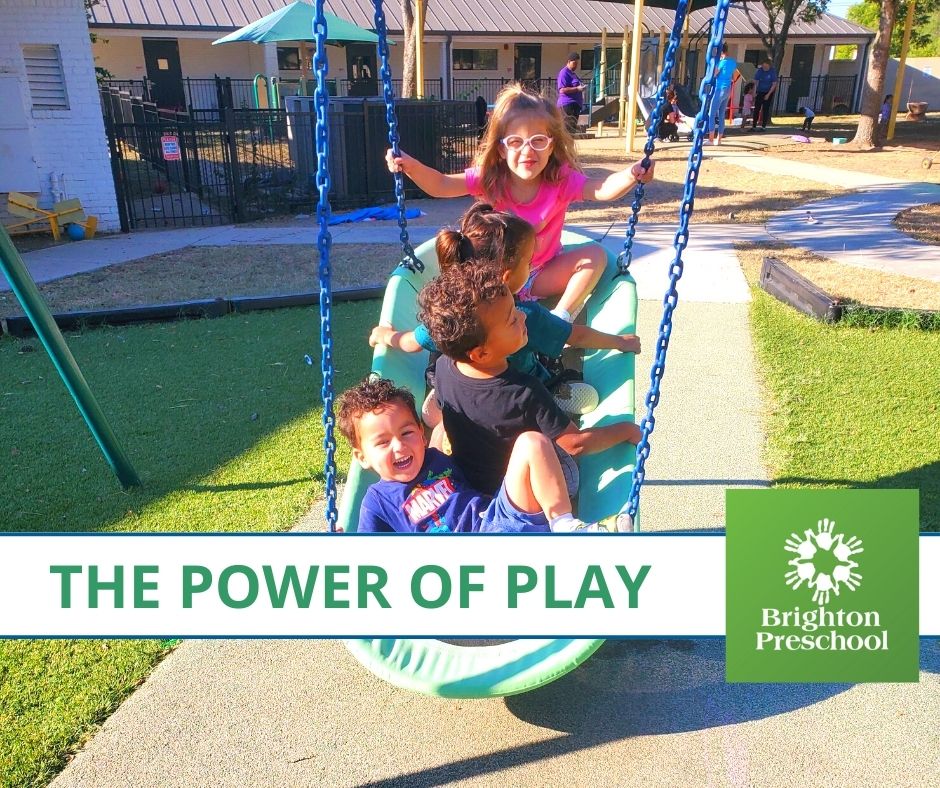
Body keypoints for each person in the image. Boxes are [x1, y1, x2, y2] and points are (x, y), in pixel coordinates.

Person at [386, 83, 655, 323]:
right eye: (516, 142)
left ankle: (559, 318)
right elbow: (442, 185)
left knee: (595, 256)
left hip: (541, 273)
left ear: (551, 145)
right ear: (502, 149)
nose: (528, 151)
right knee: (468, 294)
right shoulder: (490, 179)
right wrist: (409, 167)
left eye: (538, 141)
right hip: (493, 278)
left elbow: (601, 189)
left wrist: (632, 174)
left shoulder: (560, 181)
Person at [369, 203, 642, 422]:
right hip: (518, 392)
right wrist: (619, 341)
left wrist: (385, 335)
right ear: (508, 275)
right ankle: (554, 390)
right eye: (529, 261)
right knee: (549, 379)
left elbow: (411, 343)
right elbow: (576, 336)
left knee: (447, 367)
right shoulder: (523, 316)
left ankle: (446, 397)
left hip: (466, 386)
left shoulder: (449, 315)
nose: (533, 267)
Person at [418, 263, 642, 497]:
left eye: (516, 310)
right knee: (569, 477)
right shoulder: (524, 391)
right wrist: (626, 430)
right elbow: (575, 444)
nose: (522, 316)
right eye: (512, 320)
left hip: (470, 477)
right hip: (520, 491)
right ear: (481, 353)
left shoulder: (444, 367)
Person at [337, 377, 617, 532]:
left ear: (421, 434)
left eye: (407, 433)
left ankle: (565, 527)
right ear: (362, 457)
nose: (399, 446)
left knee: (531, 442)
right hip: (457, 571)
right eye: (383, 442)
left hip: (496, 523)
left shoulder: (437, 458)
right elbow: (370, 558)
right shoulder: (376, 502)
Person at [707, 44, 738, 146]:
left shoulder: (721, 62)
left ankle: (711, 139)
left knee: (711, 114)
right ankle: (719, 140)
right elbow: (734, 78)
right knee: (721, 114)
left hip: (719, 89)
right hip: (727, 89)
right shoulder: (733, 62)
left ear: (720, 52)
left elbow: (715, 74)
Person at [556, 52, 587, 133]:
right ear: (569, 61)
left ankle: (569, 145)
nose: (576, 65)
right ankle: (565, 145)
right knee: (567, 130)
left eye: (577, 63)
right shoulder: (564, 72)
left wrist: (582, 87)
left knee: (572, 131)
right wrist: (577, 89)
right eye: (574, 63)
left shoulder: (573, 74)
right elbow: (562, 90)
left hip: (575, 106)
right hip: (567, 106)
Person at [749, 59, 778, 132]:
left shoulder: (772, 72)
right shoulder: (760, 71)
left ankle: (763, 126)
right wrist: (754, 92)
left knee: (765, 109)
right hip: (760, 91)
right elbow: (756, 82)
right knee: (757, 109)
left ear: (769, 66)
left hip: (768, 92)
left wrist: (768, 94)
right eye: (763, 66)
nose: (764, 68)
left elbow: (774, 84)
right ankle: (754, 126)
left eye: (766, 66)